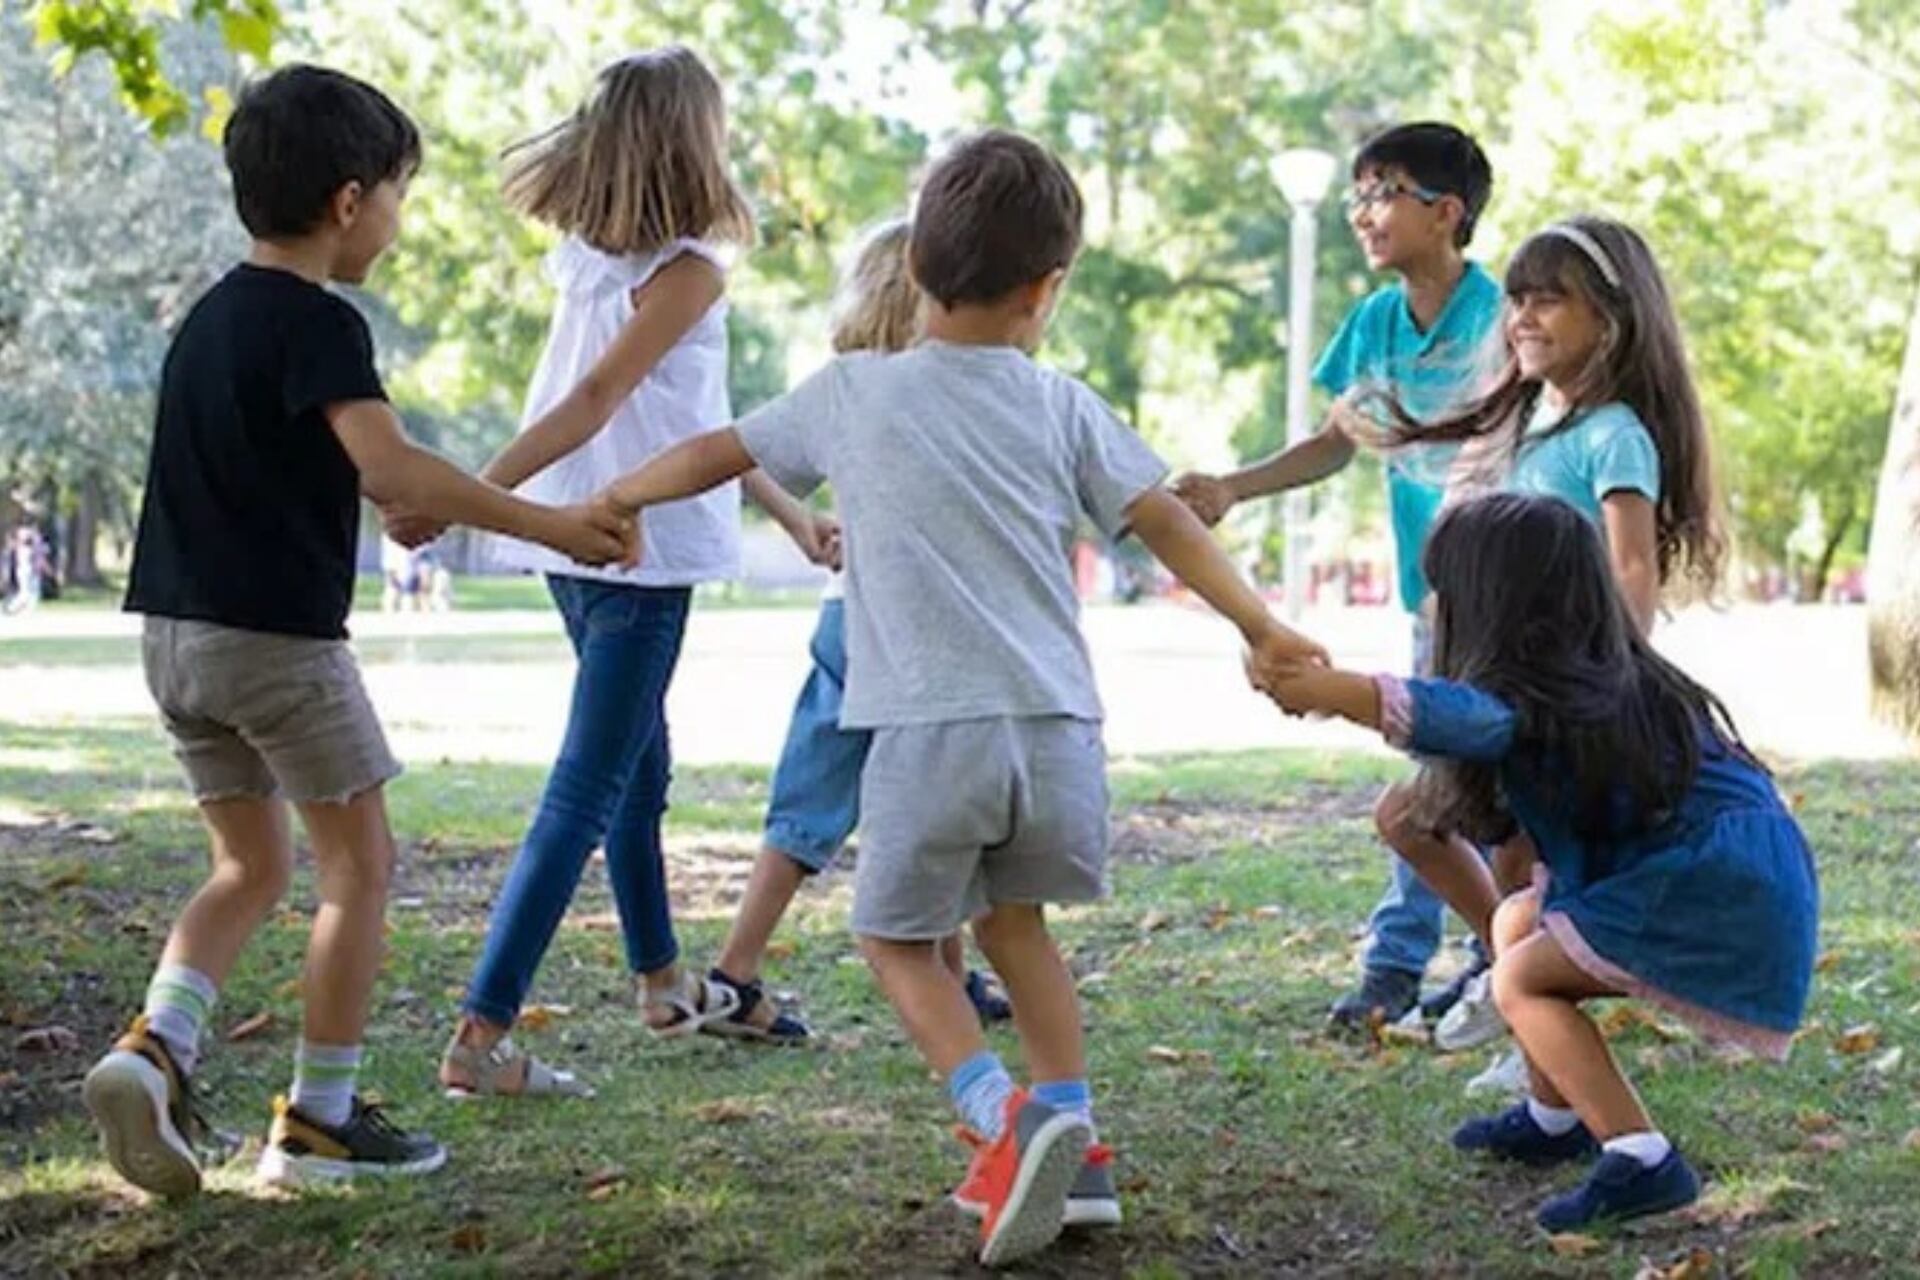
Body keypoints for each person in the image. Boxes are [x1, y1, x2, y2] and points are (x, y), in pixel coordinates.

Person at [593, 129, 1324, 1267]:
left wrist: (624, 490)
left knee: (891, 937)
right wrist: (1262, 623)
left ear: (916, 271)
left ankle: (1005, 1115)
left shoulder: (853, 391)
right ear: (1048, 290)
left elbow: (720, 450)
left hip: (931, 733)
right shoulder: (1061, 403)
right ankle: (1077, 1147)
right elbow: (1167, 516)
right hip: (1059, 732)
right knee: (1016, 929)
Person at [83, 64, 633, 1198]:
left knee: (247, 863)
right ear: (348, 202)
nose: (395, 216)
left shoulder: (209, 319)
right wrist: (552, 523)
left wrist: (403, 499)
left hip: (174, 641)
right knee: (359, 866)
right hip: (276, 646)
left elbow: (326, 473)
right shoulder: (321, 322)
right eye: (395, 194)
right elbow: (388, 463)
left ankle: (156, 1047)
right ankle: (321, 1119)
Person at [434, 47, 834, 1100]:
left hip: (579, 538)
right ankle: (480, 1034)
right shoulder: (690, 264)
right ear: (693, 137)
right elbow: (597, 402)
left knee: (639, 769)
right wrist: (463, 491)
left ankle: (661, 981)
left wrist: (790, 513)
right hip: (629, 547)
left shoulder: (590, 256)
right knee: (590, 784)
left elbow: (695, 417)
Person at [1260, 492, 1816, 1231]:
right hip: (1717, 876)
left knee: (1521, 977)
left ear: (1496, 606)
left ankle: (1643, 1160)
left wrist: (1336, 693)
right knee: (1517, 921)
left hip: (1709, 886)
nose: (1432, 607)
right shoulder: (1596, 678)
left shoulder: (1550, 694)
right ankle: (1555, 1118)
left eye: (1446, 591)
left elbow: (1462, 715)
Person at [1367, 215, 1726, 1076]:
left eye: (1548, 300)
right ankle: (1511, 979)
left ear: (1610, 317)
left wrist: (1616, 681)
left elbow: (1631, 567)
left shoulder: (1614, 436)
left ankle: (1527, 1015)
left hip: (1562, 695)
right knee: (1423, 825)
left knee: (1516, 860)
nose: (1522, 315)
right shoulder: (1527, 425)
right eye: (1517, 299)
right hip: (1502, 682)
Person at [1175, 123, 1502, 1035]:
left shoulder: (1504, 315)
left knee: (1450, 783)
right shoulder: (1374, 324)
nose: (1364, 213)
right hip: (1428, 598)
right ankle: (1479, 954)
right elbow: (1333, 443)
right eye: (1358, 194)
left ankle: (1416, 964)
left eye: (1384, 192)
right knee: (1440, 777)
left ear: (1448, 212)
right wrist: (1231, 488)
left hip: (1508, 600)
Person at [701, 218, 1011, 1045]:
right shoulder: (943, 388)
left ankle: (740, 969)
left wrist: (807, 522)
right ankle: (744, 973)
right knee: (932, 790)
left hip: (848, 617)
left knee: (820, 800)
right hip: (907, 630)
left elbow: (740, 449)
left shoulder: (846, 384)